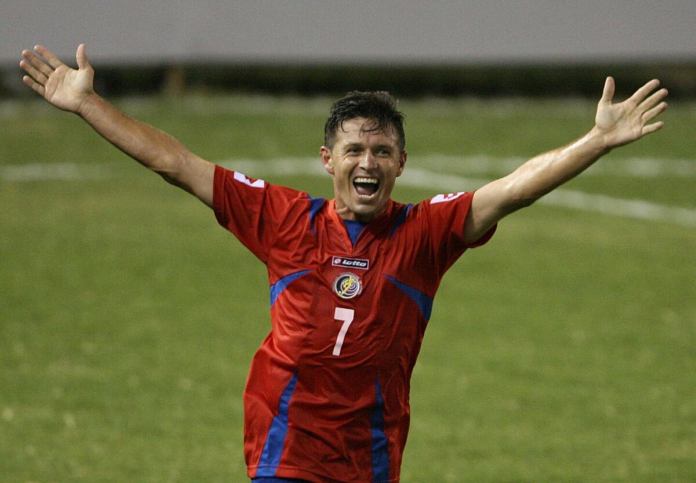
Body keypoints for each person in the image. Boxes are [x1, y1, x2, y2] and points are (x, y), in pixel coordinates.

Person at [19, 44, 668, 483]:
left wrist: (596, 141)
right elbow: (176, 163)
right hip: (285, 444)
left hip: (372, 455)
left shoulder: (425, 233)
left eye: (382, 150)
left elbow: (511, 189)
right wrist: (86, 105)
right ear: (327, 159)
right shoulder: (282, 217)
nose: (368, 162)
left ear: (401, 164)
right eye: (355, 148)